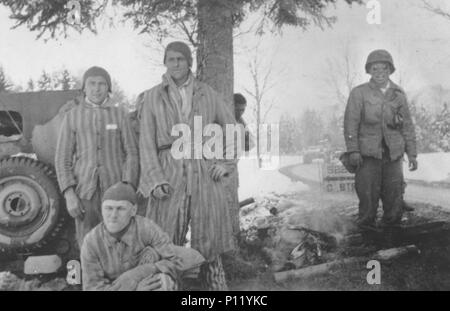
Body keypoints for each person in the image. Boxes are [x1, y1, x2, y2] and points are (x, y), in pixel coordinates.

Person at [138, 41, 237, 290]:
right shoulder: (153, 96)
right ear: (165, 63)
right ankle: (167, 284)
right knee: (165, 235)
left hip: (203, 170)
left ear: (189, 62)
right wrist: (154, 180)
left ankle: (214, 285)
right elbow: (146, 142)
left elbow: (231, 127)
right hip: (168, 170)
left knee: (209, 233)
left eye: (181, 59)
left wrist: (225, 163)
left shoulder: (206, 92)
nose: (176, 64)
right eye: (171, 59)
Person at [55, 66, 139, 248]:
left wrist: (128, 186)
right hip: (84, 192)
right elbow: (63, 158)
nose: (96, 88)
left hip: (116, 191)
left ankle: (119, 277)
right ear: (84, 87)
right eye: (91, 83)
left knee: (119, 241)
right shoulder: (72, 117)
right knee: (88, 243)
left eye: (102, 84)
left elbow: (132, 153)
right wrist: (69, 194)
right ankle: (91, 277)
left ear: (108, 88)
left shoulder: (120, 115)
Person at [343, 49, 418, 229]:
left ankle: (392, 236)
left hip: (393, 154)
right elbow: (350, 124)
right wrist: (353, 150)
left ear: (390, 70)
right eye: (374, 69)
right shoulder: (359, 93)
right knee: (367, 196)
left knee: (394, 196)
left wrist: (412, 154)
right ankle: (365, 239)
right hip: (368, 154)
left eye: (383, 69)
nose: (379, 73)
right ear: (369, 71)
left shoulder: (398, 94)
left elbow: (407, 126)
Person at [80, 182, 179, 291]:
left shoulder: (148, 228)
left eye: (121, 209)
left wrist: (139, 273)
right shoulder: (91, 242)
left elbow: (175, 262)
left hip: (145, 282)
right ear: (101, 210)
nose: (113, 216)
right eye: (108, 208)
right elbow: (92, 288)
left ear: (133, 210)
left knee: (163, 283)